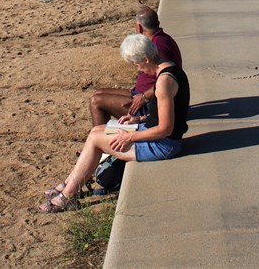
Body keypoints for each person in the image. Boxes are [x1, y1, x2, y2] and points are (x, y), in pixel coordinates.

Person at [39, 33, 190, 213]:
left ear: (146, 59)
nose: (138, 70)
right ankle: (68, 184)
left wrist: (130, 137)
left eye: (137, 65)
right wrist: (138, 119)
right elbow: (169, 113)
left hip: (163, 145)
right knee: (96, 131)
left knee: (96, 141)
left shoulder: (164, 82)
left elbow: (165, 129)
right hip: (156, 135)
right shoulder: (169, 67)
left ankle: (67, 196)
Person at [89, 6, 182, 126]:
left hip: (149, 103)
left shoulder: (159, 45)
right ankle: (103, 131)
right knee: (98, 93)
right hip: (141, 94)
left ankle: (99, 134)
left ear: (139, 27)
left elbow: (169, 77)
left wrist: (144, 96)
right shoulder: (159, 39)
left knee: (96, 101)